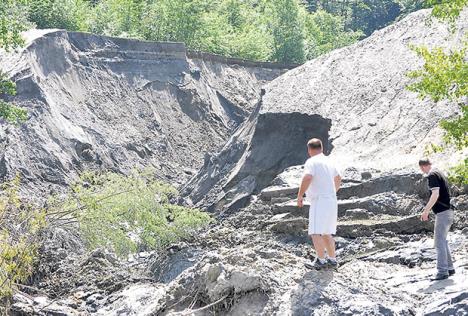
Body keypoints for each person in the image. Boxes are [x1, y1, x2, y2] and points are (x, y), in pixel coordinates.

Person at [297, 138, 341, 270]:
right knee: (327, 232)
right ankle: (332, 260)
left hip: (319, 200)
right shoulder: (329, 161)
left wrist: (300, 195)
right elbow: (338, 178)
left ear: (309, 150)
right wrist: (331, 191)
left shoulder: (311, 161)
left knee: (315, 232)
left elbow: (308, 177)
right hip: (331, 200)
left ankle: (320, 261)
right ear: (321, 148)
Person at [419, 158, 455, 281]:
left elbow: (435, 194)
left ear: (422, 167)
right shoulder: (439, 172)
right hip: (448, 211)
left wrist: (426, 211)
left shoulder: (432, 176)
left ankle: (442, 271)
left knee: (439, 242)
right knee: (443, 240)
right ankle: (450, 268)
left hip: (443, 213)